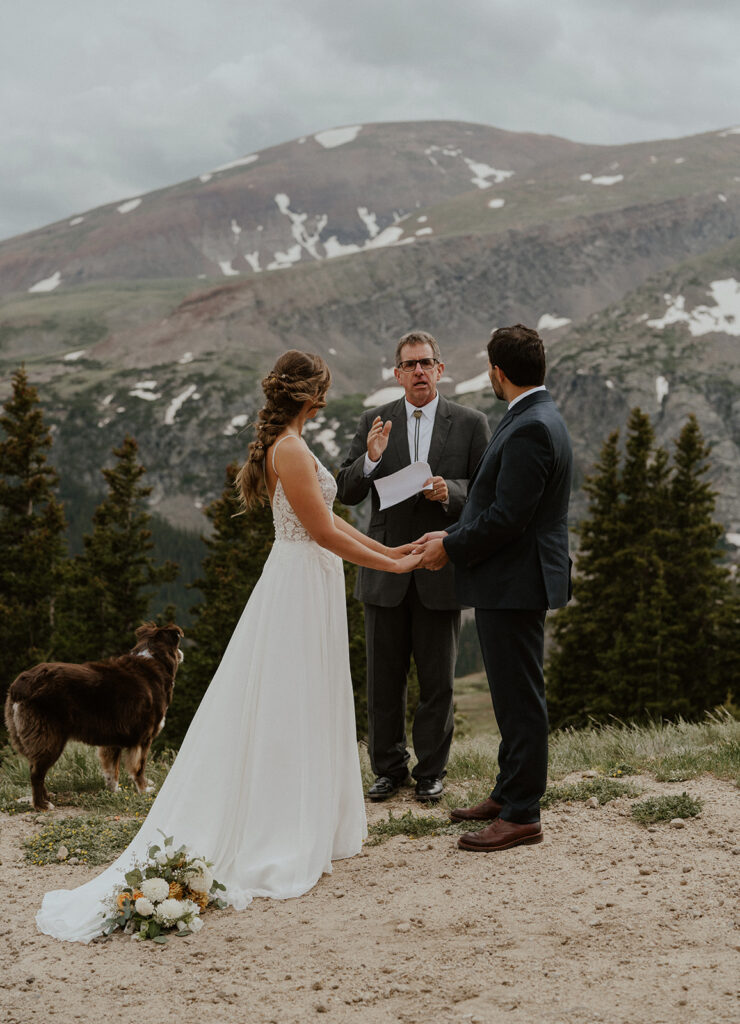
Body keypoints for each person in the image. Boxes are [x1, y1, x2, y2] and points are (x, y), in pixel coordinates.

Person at [36, 350, 421, 942]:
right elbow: (319, 531)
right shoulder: (290, 450)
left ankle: (312, 819)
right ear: (311, 394)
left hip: (307, 580)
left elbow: (332, 520)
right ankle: (277, 829)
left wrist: (390, 552)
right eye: (324, 389)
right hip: (296, 584)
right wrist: (388, 567)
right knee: (286, 701)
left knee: (309, 698)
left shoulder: (293, 444)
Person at [417, 324, 573, 851]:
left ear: (498, 372)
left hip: (516, 580)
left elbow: (509, 517)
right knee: (509, 693)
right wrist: (453, 530)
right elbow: (498, 507)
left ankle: (523, 812)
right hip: (511, 578)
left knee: (520, 696)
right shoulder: (535, 414)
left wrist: (451, 548)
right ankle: (509, 793)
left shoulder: (530, 426)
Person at [337, 331, 490, 803]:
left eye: (427, 363)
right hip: (384, 567)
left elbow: (486, 493)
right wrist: (372, 458)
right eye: (410, 364)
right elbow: (346, 490)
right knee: (383, 680)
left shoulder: (470, 423)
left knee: (437, 680)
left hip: (440, 567)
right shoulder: (373, 421)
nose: (419, 371)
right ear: (397, 373)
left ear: (440, 370)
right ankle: (387, 769)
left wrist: (453, 493)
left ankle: (431, 772)